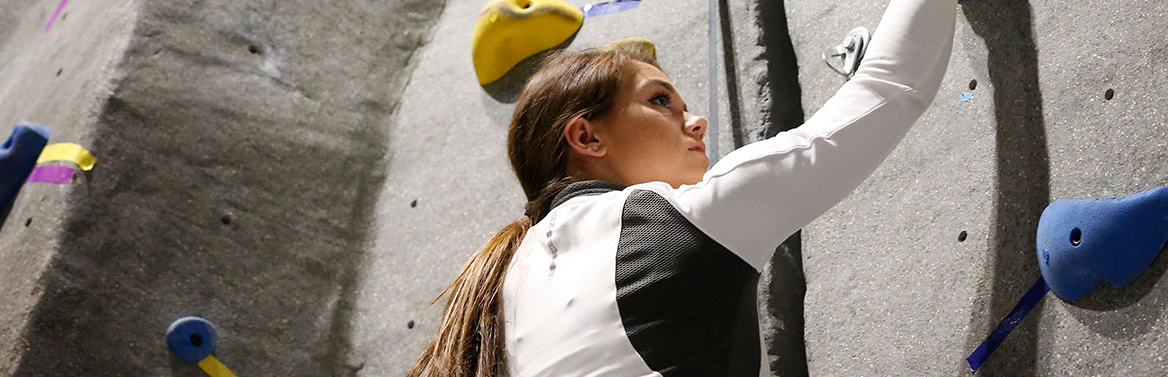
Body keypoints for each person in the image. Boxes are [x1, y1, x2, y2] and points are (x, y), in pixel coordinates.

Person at [409, 0, 956, 375]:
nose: (696, 123)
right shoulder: (669, 225)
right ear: (586, 136)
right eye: (661, 102)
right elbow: (890, 86)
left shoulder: (502, 289)